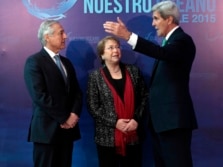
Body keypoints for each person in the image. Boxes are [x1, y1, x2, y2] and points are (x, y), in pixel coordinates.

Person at [103, 1, 198, 167]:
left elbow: (162, 53)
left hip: (173, 122)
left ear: (169, 19)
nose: (153, 24)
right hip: (161, 123)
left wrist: (128, 36)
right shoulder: (168, 43)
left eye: (156, 19)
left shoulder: (182, 40)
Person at [24, 20, 83, 167]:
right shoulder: (34, 62)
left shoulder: (66, 62)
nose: (65, 36)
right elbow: (39, 96)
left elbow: (76, 92)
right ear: (47, 37)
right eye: (61, 33)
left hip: (67, 132)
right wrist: (64, 118)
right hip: (46, 132)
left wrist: (74, 114)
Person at [87, 36, 148, 167]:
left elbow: (144, 98)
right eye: (110, 48)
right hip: (107, 138)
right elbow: (93, 107)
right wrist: (115, 123)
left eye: (117, 47)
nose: (115, 50)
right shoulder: (95, 77)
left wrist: (136, 119)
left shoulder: (133, 71)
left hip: (133, 134)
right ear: (102, 55)